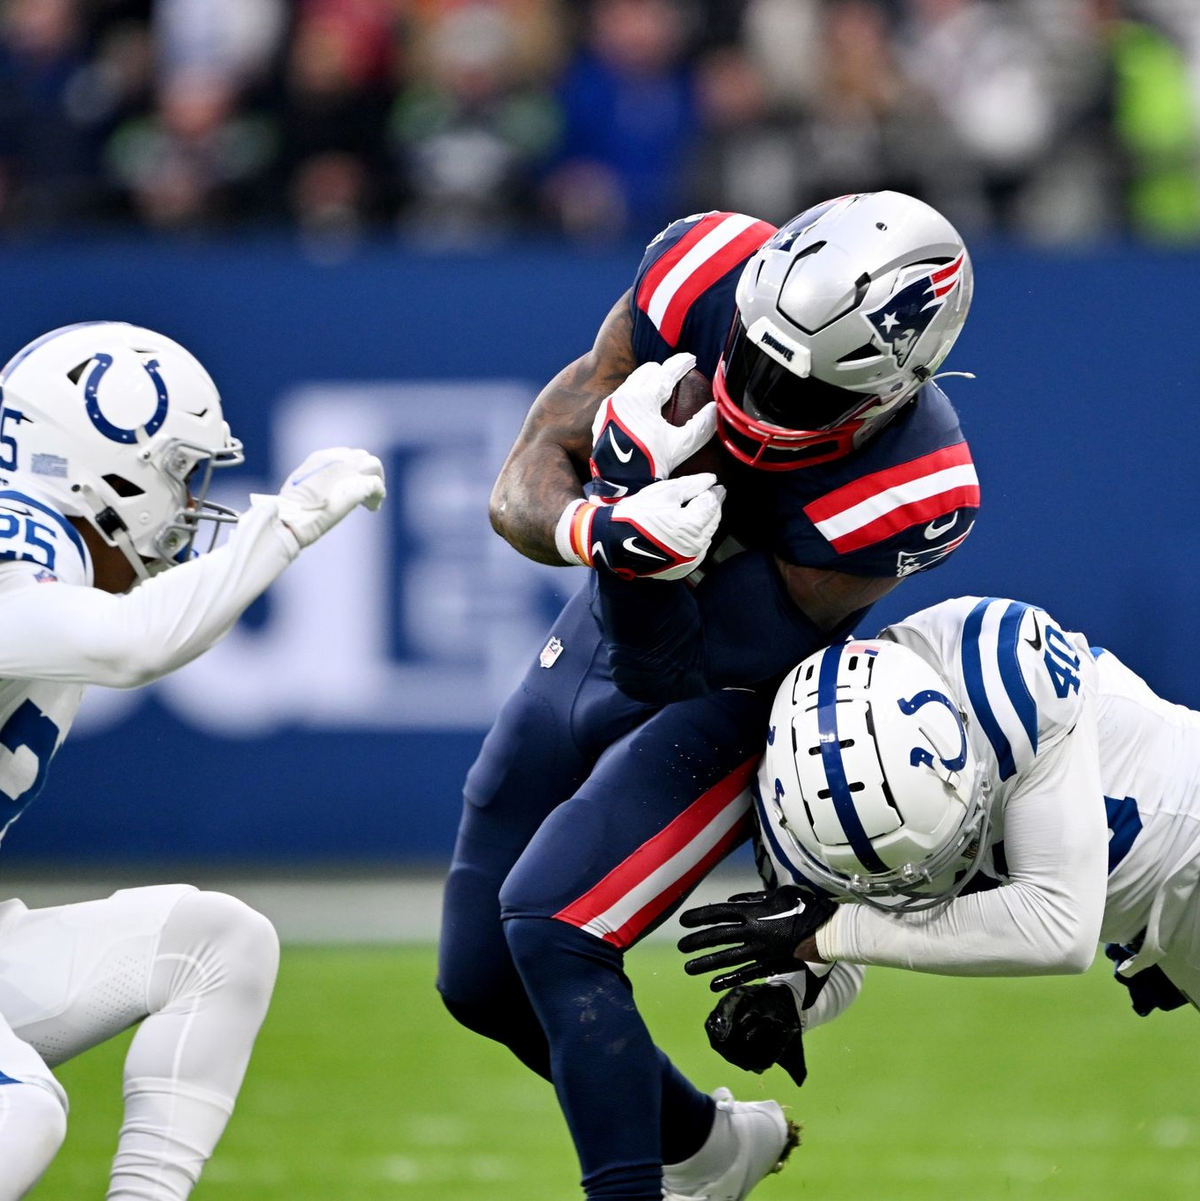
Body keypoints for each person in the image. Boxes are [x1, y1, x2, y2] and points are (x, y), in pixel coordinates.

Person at [439, 192, 982, 1199]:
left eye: (805, 388)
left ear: (891, 390)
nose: (765, 393)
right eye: (756, 353)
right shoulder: (700, 271)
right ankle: (705, 1148)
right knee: (476, 980)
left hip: (732, 689)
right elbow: (525, 475)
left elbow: (677, 667)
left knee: (555, 925)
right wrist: (599, 525)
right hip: (613, 620)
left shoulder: (909, 485)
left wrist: (630, 520)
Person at [0, 321, 385, 1200]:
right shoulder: (20, 532)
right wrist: (284, 524)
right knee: (19, 1106)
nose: (184, 509)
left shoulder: (52, 555)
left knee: (218, 943)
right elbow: (136, 643)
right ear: (95, 461)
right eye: (179, 473)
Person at [677, 595, 1197, 1088]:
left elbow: (1057, 926)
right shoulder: (801, 813)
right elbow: (843, 945)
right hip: (1164, 928)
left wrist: (831, 931)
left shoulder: (1005, 677)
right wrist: (789, 1001)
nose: (916, 886)